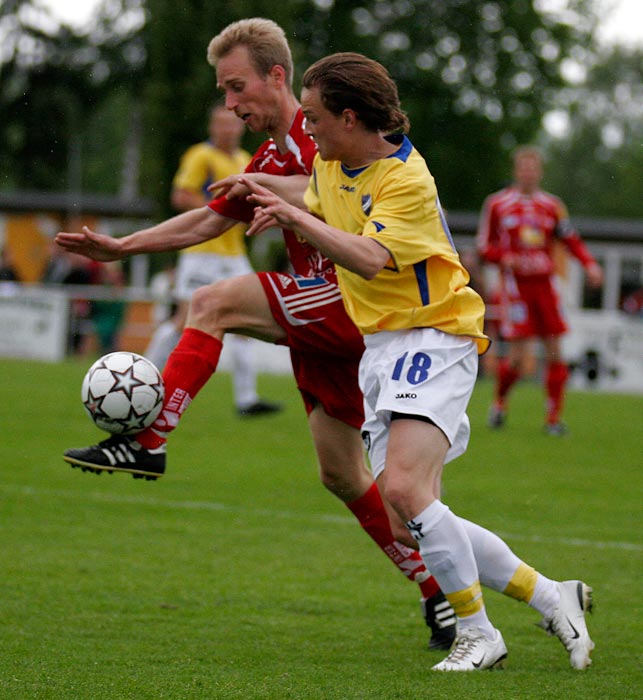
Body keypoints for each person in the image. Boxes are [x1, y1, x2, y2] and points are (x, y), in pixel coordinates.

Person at [54, 18, 456, 652]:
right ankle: (443, 589)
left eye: (236, 87)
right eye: (223, 91)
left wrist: (272, 188)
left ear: (277, 76)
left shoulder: (325, 129)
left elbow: (344, 192)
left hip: (354, 300)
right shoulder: (268, 156)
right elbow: (207, 220)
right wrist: (123, 246)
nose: (230, 104)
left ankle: (150, 440)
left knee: (212, 301)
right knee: (345, 475)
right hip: (326, 319)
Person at [240, 51, 595, 672]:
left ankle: (478, 632)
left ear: (350, 117)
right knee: (410, 520)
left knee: (402, 489)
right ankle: (549, 594)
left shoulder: (407, 179)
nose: (309, 129)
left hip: (434, 336)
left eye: (317, 117)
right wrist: (258, 186)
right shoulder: (332, 161)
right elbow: (317, 192)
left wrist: (292, 215)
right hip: (383, 349)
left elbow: (369, 257)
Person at [145, 103, 280, 417]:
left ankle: (246, 399)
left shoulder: (245, 160)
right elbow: (181, 195)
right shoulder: (201, 156)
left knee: (247, 324)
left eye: (232, 125)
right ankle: (144, 378)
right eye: (221, 125)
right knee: (182, 321)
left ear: (241, 128)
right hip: (201, 252)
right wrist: (220, 209)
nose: (227, 130)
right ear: (212, 128)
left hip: (234, 254)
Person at [476, 146, 604, 434]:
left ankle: (553, 419)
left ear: (540, 172)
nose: (529, 173)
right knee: (520, 359)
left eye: (533, 168)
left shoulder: (552, 205)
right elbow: (484, 246)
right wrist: (503, 258)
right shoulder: (498, 204)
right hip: (515, 287)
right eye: (524, 167)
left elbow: (570, 239)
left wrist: (590, 264)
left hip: (545, 285)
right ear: (516, 171)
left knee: (556, 352)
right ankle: (499, 403)